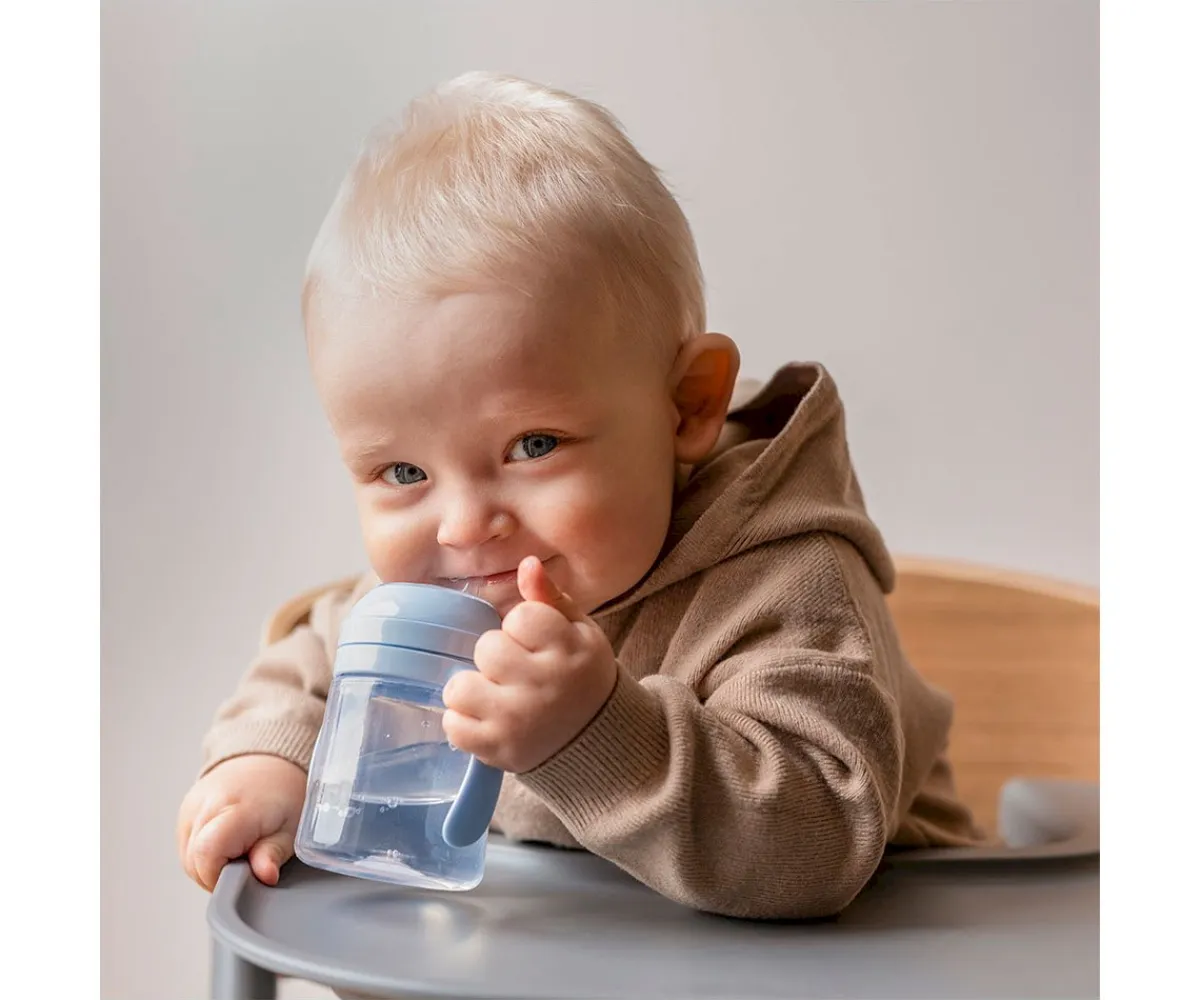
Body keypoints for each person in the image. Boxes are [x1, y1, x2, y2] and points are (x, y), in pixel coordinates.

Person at [177, 71, 983, 922]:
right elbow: (308, 661)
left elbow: (817, 844)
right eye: (403, 474)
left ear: (688, 405)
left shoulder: (786, 588)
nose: (462, 527)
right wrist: (271, 761)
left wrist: (596, 733)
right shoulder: (439, 595)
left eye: (532, 446)